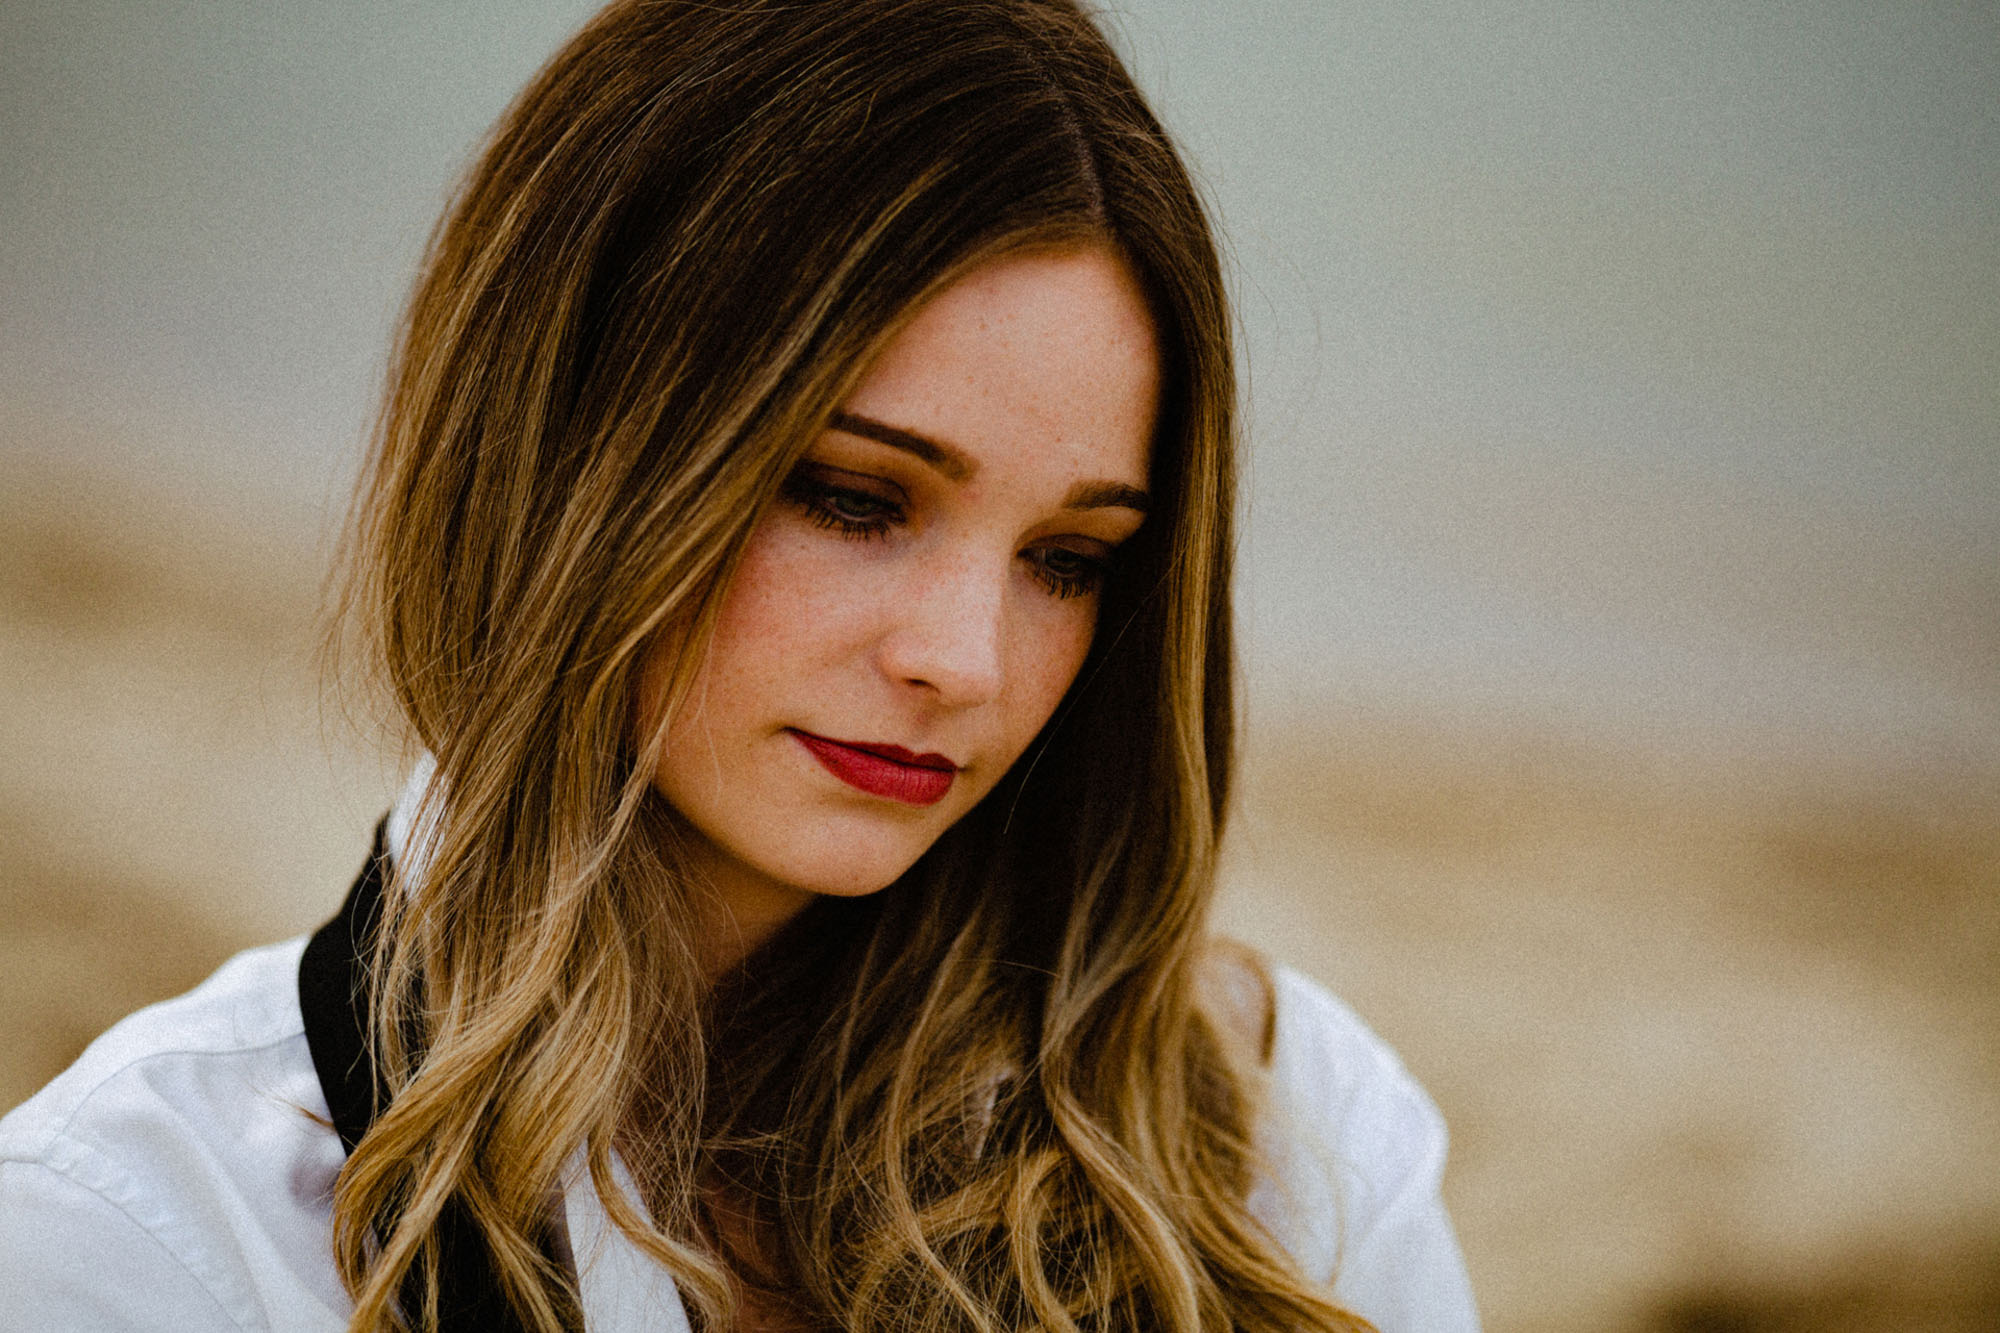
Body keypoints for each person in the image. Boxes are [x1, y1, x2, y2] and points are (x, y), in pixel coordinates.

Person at [0, 1, 1480, 1329]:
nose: (963, 661)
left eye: (1069, 559)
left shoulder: (1287, 1150)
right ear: (568, 446)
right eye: (853, 496)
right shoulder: (139, 1247)